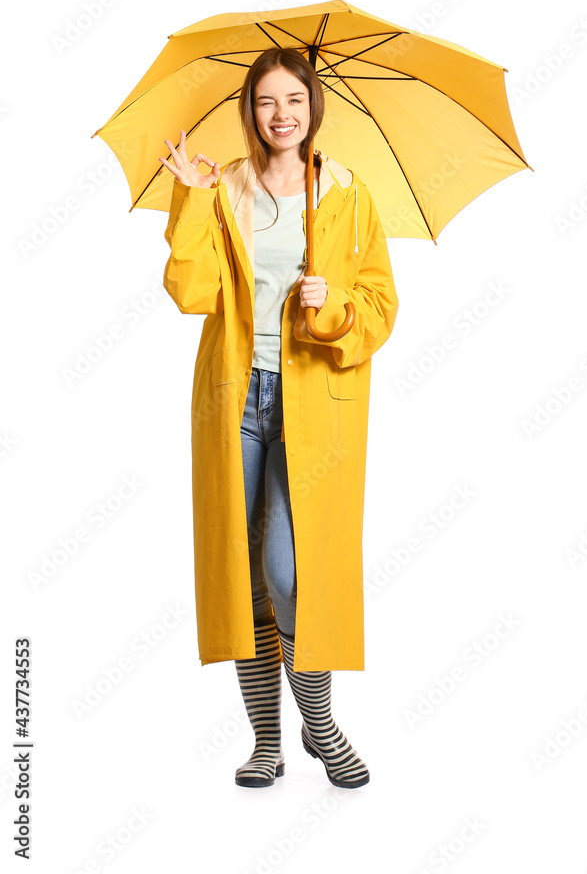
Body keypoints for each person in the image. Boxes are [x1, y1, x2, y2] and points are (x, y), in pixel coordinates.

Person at [159, 46, 399, 789]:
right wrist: (193, 200)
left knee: (292, 575)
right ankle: (267, 740)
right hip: (235, 398)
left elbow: (381, 308)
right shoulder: (222, 188)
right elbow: (192, 294)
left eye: (293, 99)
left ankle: (319, 724)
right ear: (250, 111)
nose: (281, 114)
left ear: (312, 107)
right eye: (266, 101)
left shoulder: (349, 196)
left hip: (315, 407)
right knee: (242, 577)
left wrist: (331, 313)